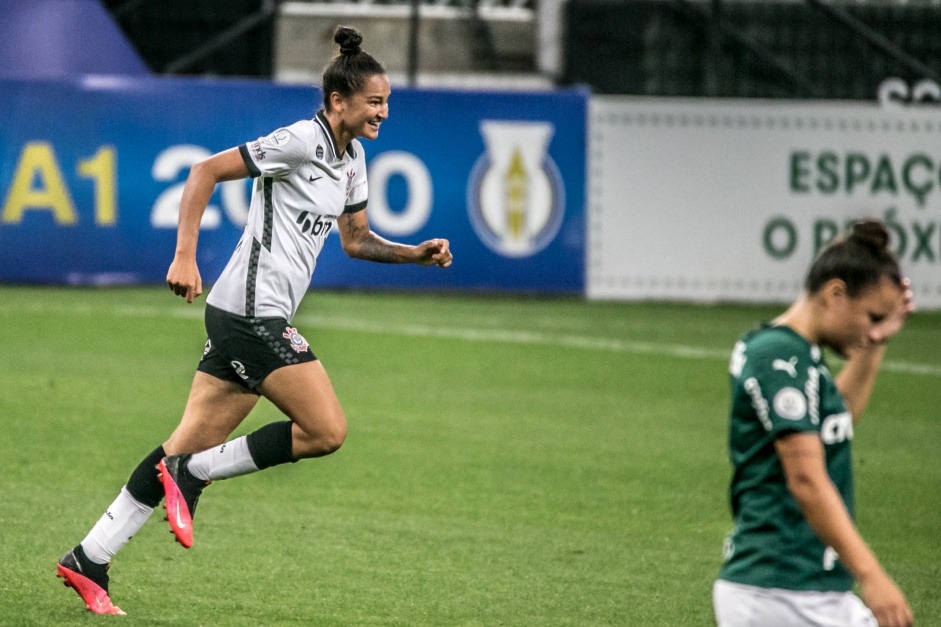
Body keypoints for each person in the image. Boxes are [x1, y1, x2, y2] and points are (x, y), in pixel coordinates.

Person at [56, 25, 452, 615]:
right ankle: (192, 475)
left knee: (183, 442)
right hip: (248, 311)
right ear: (338, 100)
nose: (383, 112)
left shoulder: (353, 160)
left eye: (386, 102)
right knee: (325, 430)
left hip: (260, 314)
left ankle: (89, 557)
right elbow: (203, 173)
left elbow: (356, 238)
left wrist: (412, 253)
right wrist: (184, 255)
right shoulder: (297, 141)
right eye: (374, 102)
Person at [713, 219, 915, 627]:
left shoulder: (800, 355)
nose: (873, 329)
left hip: (805, 590)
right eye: (872, 316)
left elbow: (834, 423)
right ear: (836, 294)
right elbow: (805, 477)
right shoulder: (778, 357)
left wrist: (875, 344)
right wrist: (872, 576)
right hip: (780, 591)